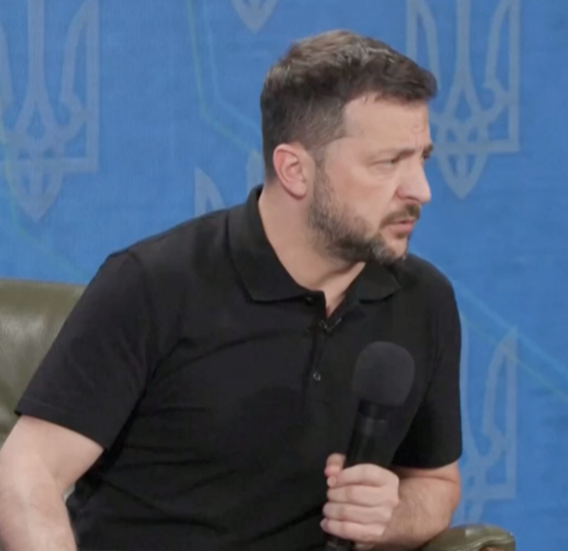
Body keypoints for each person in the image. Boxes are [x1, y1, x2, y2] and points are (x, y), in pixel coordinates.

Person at [0, 30, 463, 551]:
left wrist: (391, 515)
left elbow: (435, 482)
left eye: (422, 158)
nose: (421, 189)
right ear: (295, 170)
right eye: (388, 163)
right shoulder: (154, 284)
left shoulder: (424, 300)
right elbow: (28, 472)